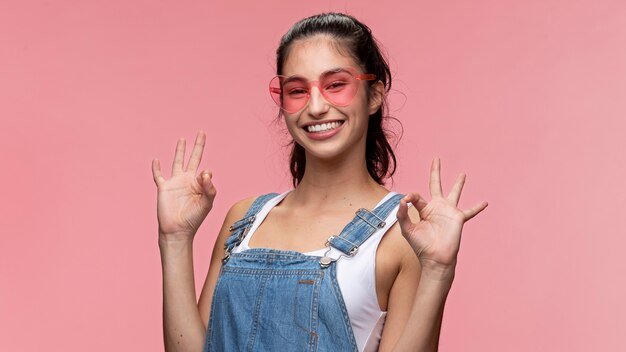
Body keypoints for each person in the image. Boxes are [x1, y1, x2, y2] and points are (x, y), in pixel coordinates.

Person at [152, 12, 487, 352]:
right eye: (297, 90)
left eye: (336, 85)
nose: (315, 106)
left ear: (373, 95)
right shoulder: (244, 219)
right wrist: (175, 239)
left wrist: (437, 271)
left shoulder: (402, 231)